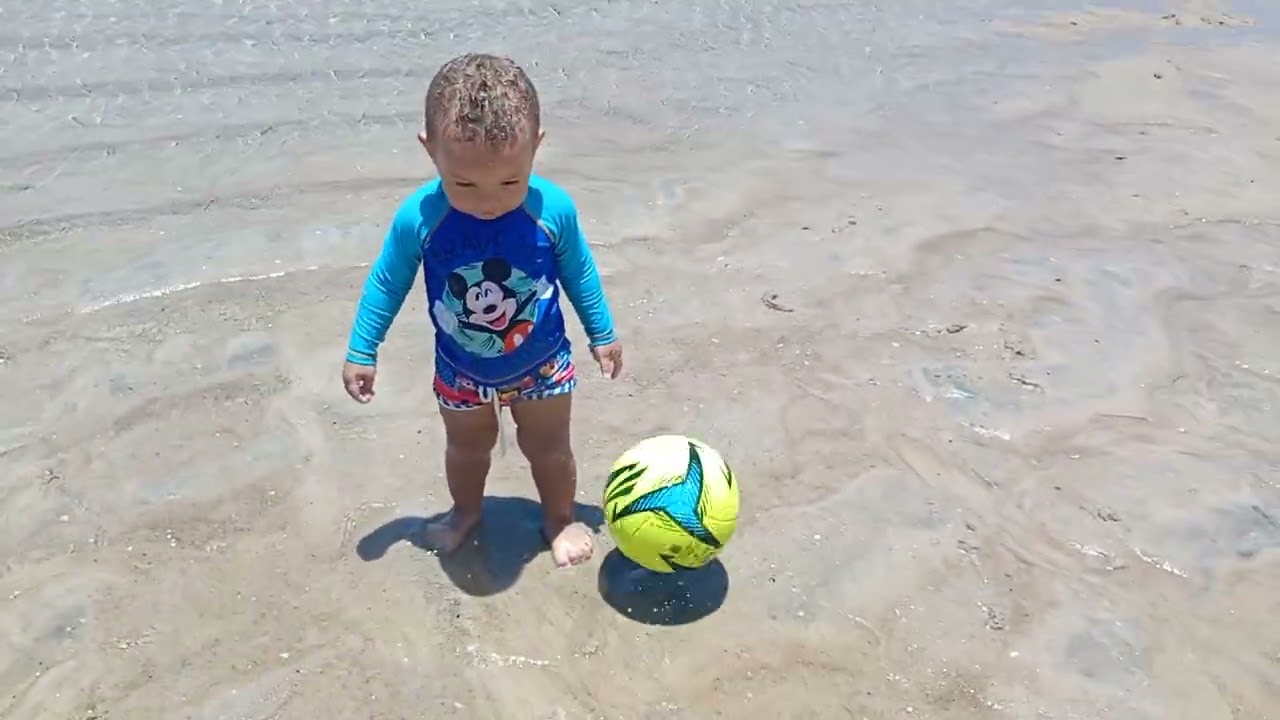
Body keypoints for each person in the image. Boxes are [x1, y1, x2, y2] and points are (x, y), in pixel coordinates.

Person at [341, 52, 623, 568]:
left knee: (549, 449)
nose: (488, 201)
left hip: (542, 364)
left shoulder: (552, 211)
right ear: (431, 153)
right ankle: (465, 512)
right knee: (466, 451)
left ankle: (559, 518)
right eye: (465, 184)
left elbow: (579, 273)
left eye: (510, 182)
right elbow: (387, 283)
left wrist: (601, 332)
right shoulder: (419, 220)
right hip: (460, 370)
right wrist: (363, 347)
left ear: (537, 148)